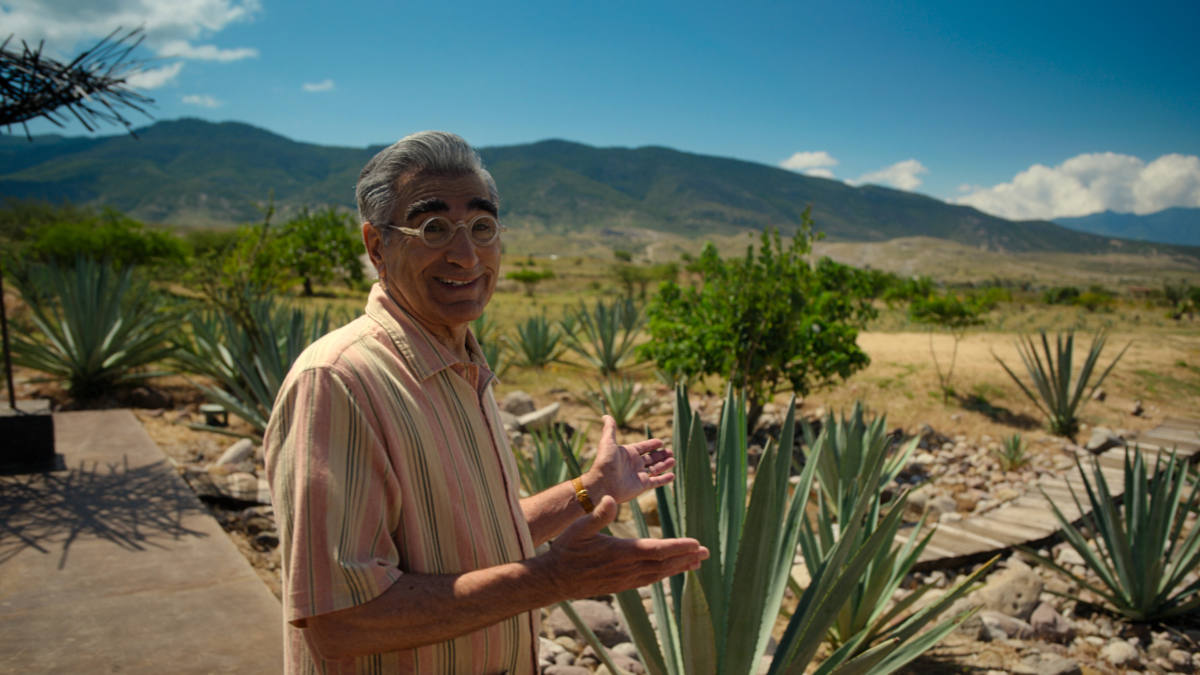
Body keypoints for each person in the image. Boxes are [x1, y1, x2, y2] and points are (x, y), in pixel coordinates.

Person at [264, 130, 708, 674]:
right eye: (433, 228)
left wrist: (589, 491)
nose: (466, 254)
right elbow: (341, 621)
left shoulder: (459, 368)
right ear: (377, 246)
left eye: (482, 227)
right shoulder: (340, 383)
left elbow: (471, 540)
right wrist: (552, 580)